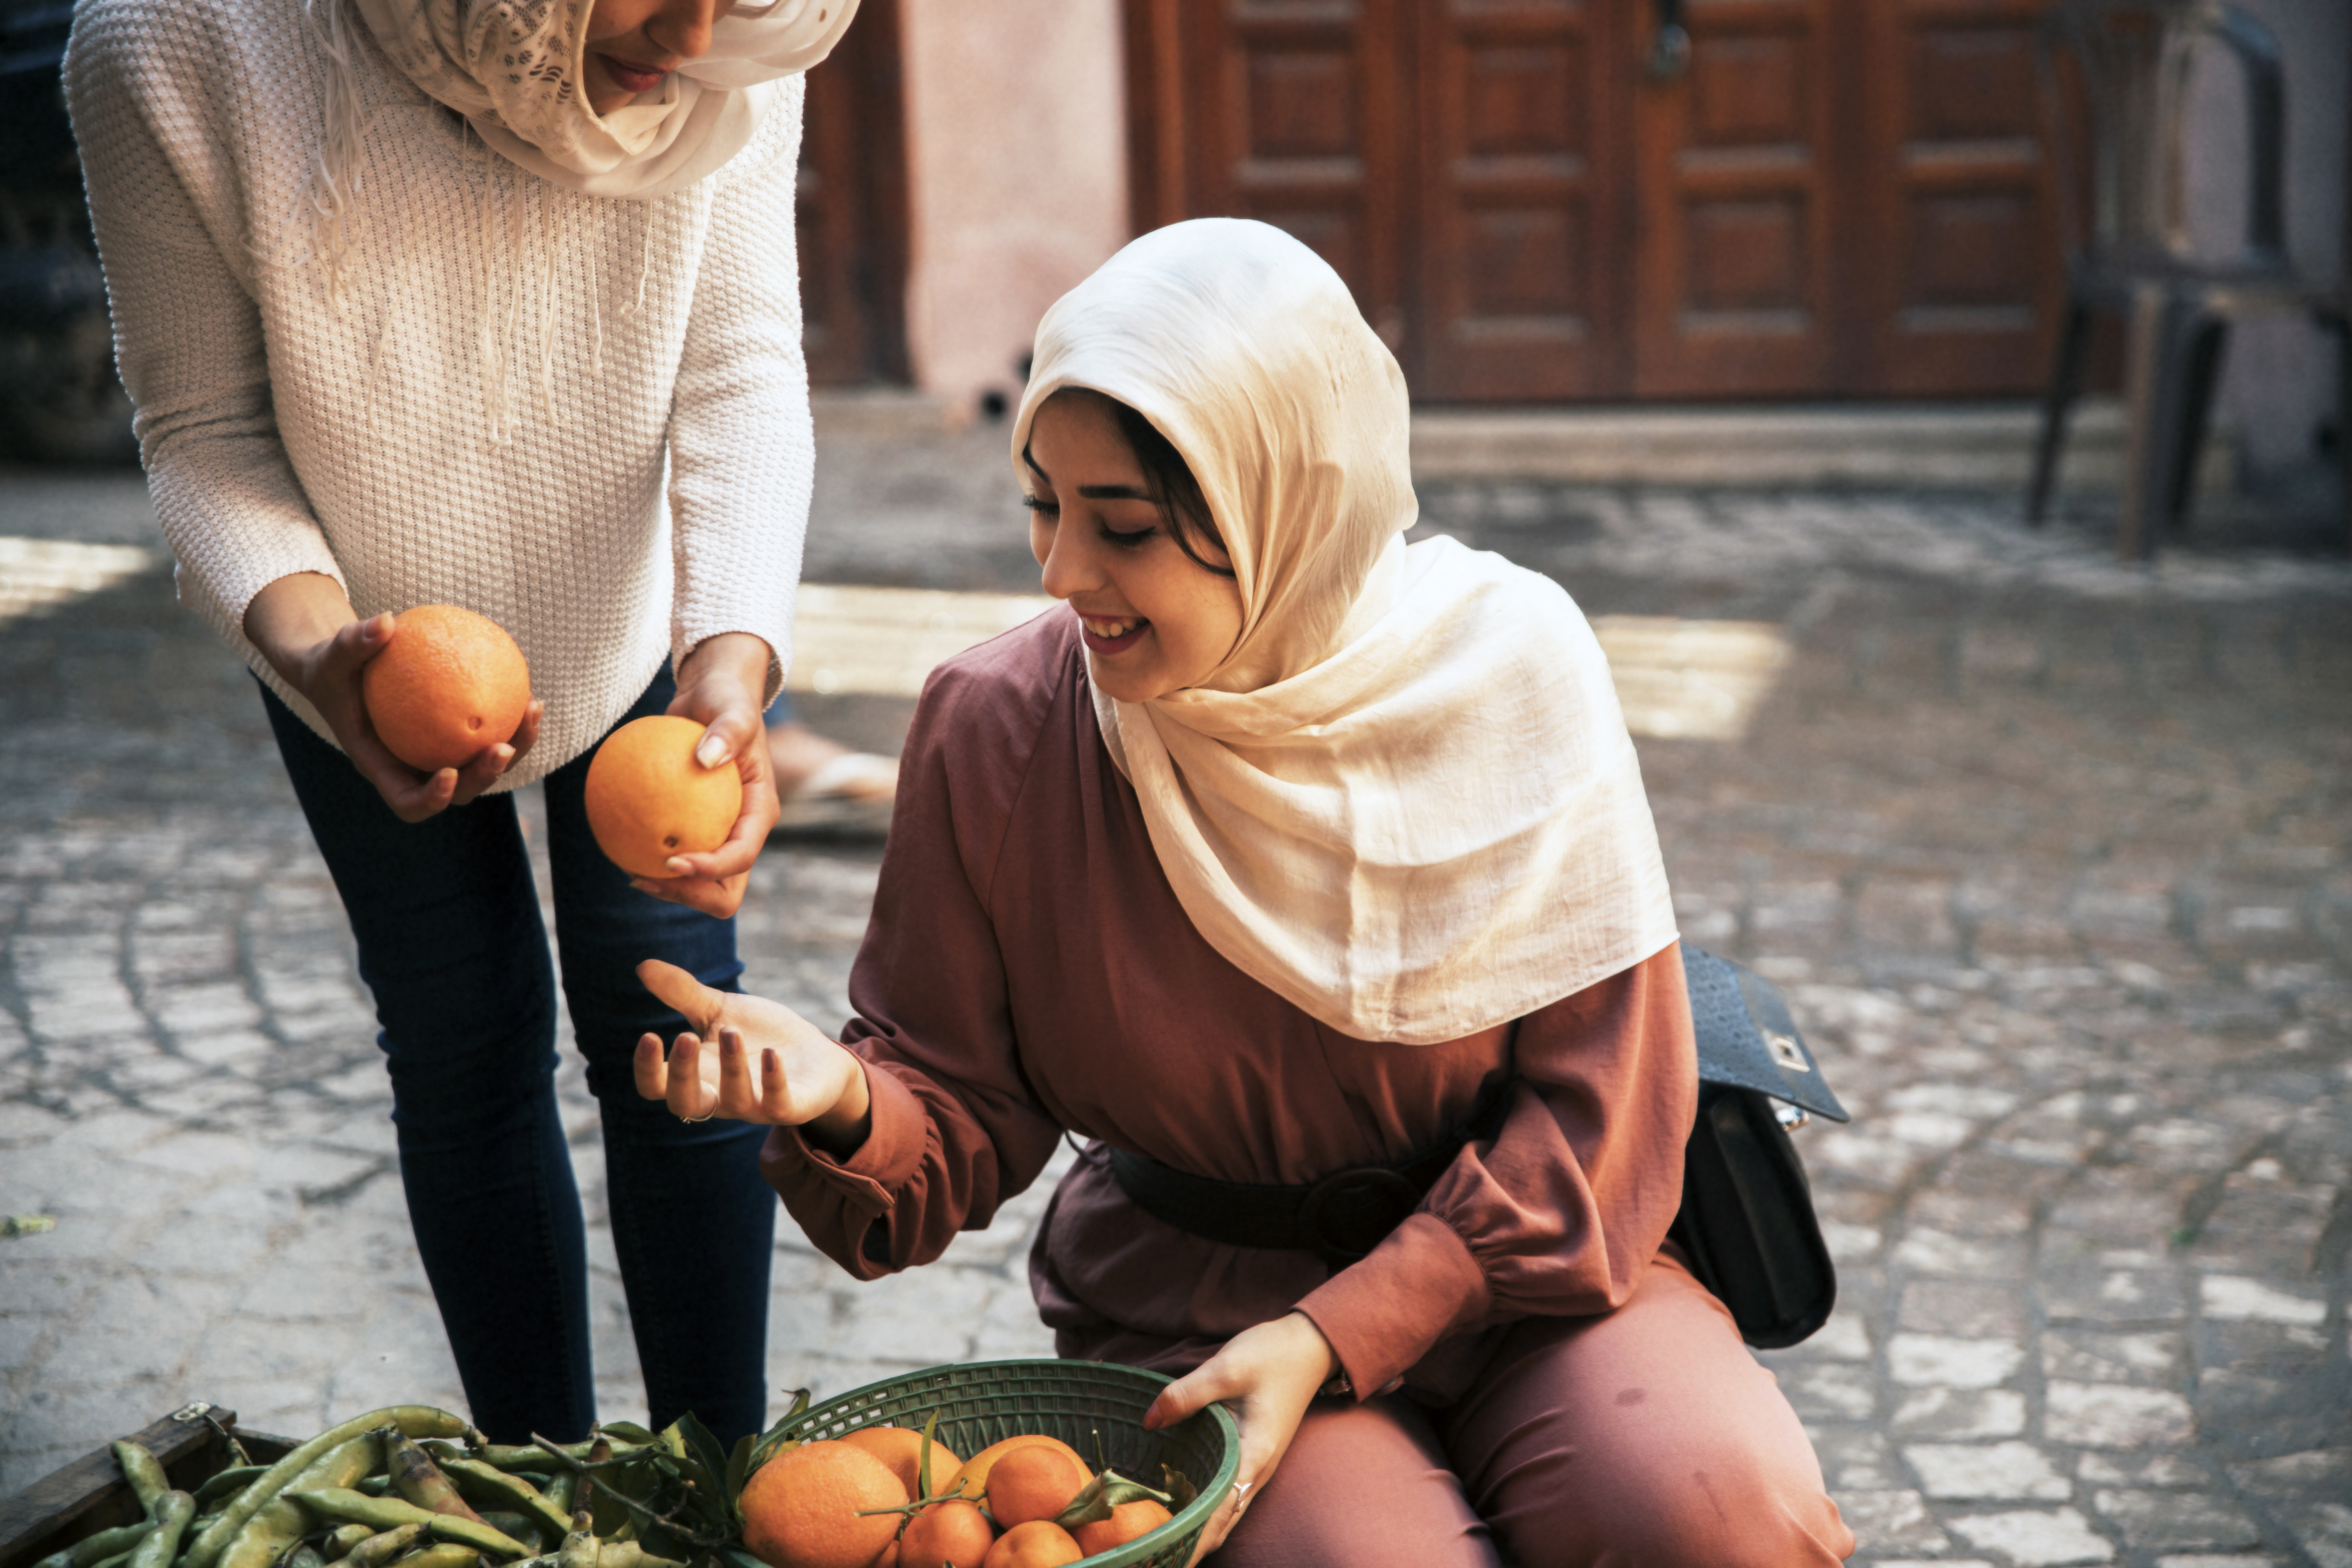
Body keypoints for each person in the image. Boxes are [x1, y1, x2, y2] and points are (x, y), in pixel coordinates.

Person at [631, 219, 1856, 1566]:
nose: (1061, 574)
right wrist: (843, 1095)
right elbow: (961, 1103)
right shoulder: (1001, 728)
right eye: (1043, 505)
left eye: (1127, 528)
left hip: (1532, 1276)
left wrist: (1346, 1328)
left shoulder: (1512, 675)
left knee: (1722, 1517)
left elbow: (1602, 1117)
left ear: (1285, 509)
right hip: (1196, 1308)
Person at [65, 0, 863, 1446]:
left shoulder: (744, 42)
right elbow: (204, 431)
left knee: (674, 1022)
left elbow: (739, 375)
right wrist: (325, 660)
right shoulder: (170, 45)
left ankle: (710, 1499)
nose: (690, 37)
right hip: (358, 644)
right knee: (461, 1035)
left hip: (636, 632)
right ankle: (539, 1495)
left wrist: (734, 662)